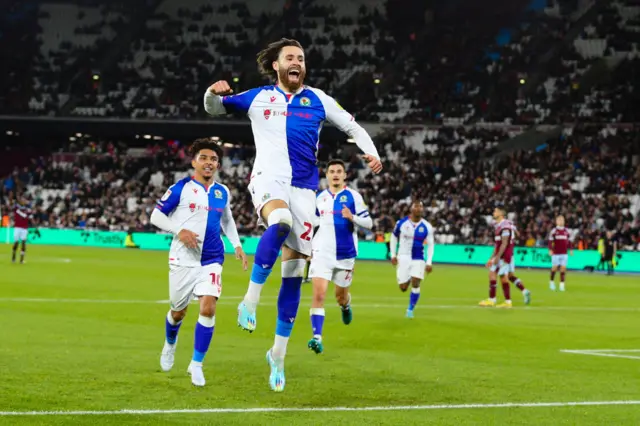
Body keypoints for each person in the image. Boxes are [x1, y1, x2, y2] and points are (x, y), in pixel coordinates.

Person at [203, 38, 382, 392]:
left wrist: (372, 153)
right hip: (269, 180)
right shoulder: (258, 98)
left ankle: (278, 356)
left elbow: (353, 127)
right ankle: (250, 299)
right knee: (279, 222)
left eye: (301, 58)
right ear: (276, 65)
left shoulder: (317, 99)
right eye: (290, 58)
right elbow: (213, 108)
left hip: (304, 191)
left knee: (293, 272)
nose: (297, 62)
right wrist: (212, 91)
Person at [150, 139, 248, 387]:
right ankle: (170, 343)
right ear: (194, 161)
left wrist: (237, 245)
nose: (209, 162)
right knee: (177, 311)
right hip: (183, 258)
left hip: (212, 259)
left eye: (213, 159)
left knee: (208, 307)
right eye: (204, 157)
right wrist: (179, 230)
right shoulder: (180, 188)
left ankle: (196, 364)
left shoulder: (221, 191)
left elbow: (227, 219)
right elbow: (156, 215)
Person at [307, 159, 372, 354]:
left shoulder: (353, 196)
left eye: (339, 171)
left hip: (345, 255)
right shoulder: (318, 198)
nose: (335, 174)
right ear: (326, 176)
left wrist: (353, 217)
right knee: (319, 295)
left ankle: (345, 306)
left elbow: (369, 223)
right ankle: (317, 337)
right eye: (332, 171)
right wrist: (308, 248)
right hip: (322, 253)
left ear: (345, 175)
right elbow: (311, 224)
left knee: (340, 297)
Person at [389, 200, 435, 318]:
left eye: (420, 206)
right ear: (411, 209)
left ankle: (410, 309)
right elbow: (394, 237)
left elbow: (431, 245)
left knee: (416, 283)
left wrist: (429, 262)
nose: (418, 209)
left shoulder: (427, 226)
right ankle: (410, 276)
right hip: (403, 257)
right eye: (416, 206)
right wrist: (393, 255)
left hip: (418, 258)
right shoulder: (401, 223)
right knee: (403, 288)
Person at [479, 206, 515, 308]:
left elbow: (504, 243)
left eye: (495, 211)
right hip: (500, 254)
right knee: (492, 274)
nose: (493, 212)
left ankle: (508, 302)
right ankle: (492, 299)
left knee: (503, 277)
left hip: (505, 255)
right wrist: (491, 258)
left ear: (501, 213)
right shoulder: (498, 226)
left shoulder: (506, 226)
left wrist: (498, 257)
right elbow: (497, 245)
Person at [506, 223, 531, 304]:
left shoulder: (503, 226)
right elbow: (518, 234)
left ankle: (505, 300)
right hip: (511, 255)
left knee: (499, 276)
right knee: (510, 277)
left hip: (505, 255)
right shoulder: (511, 226)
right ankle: (524, 291)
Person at [548, 215, 573, 291]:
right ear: (556, 221)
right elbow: (550, 241)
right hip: (556, 253)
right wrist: (550, 249)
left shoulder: (567, 231)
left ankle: (562, 285)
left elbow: (569, 242)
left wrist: (571, 249)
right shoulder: (554, 231)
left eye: (562, 220)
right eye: (559, 220)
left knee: (563, 269)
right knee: (554, 268)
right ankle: (551, 282)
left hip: (564, 253)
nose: (561, 221)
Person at [12, 196, 32, 264]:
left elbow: (29, 217)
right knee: (16, 243)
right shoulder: (16, 208)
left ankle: (21, 259)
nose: (23, 201)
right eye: (22, 200)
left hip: (24, 228)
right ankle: (13, 256)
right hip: (17, 227)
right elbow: (12, 202)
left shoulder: (28, 209)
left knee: (23, 242)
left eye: (24, 200)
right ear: (20, 201)